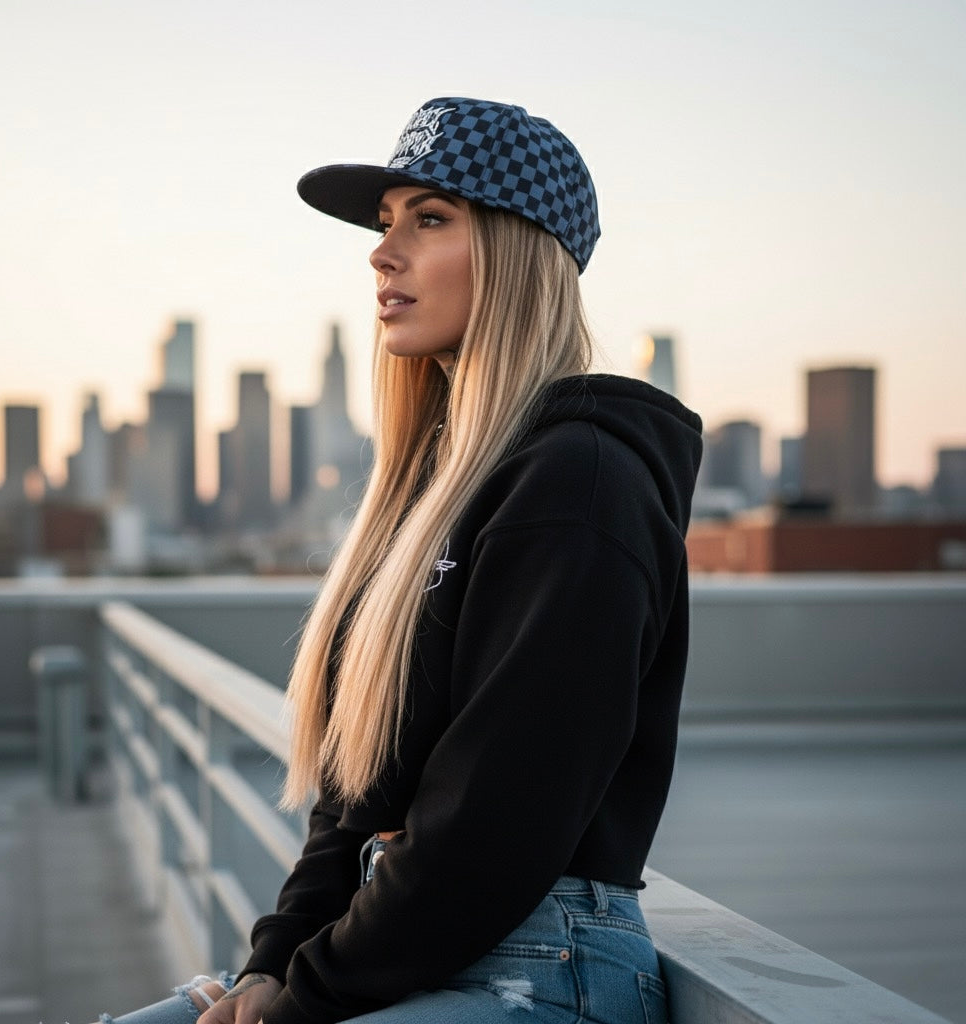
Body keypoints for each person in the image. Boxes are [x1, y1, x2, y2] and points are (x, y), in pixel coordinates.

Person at [96, 96, 702, 1024]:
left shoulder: (580, 483)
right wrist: (273, 965)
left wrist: (307, 994)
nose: (383, 253)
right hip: (396, 948)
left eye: (430, 220)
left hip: (538, 972)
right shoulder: (432, 494)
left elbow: (499, 821)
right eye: (385, 225)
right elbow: (353, 796)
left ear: (517, 251)